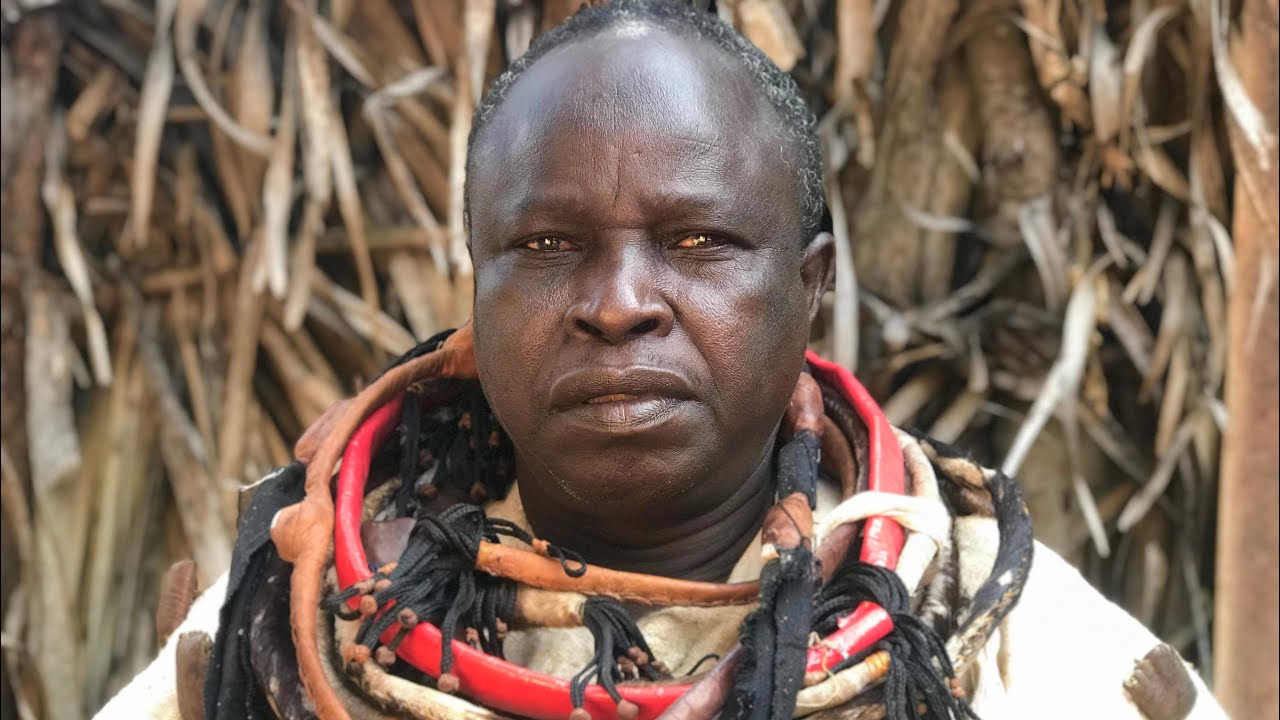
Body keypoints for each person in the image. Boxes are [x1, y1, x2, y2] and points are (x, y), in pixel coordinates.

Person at [96, 2, 1227, 719]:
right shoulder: (288, 634)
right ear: (475, 293)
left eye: (696, 242)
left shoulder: (1013, 643)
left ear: (809, 285)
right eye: (545, 247)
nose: (618, 304)